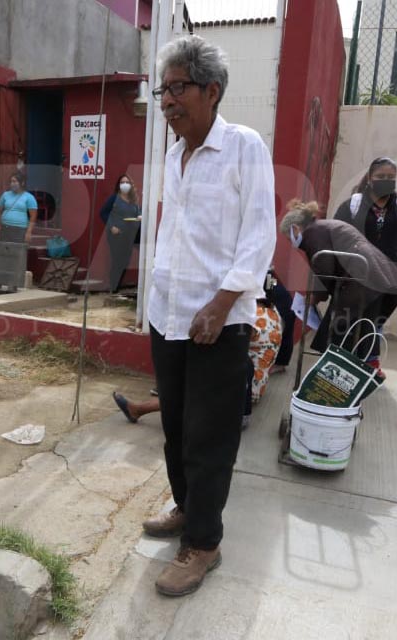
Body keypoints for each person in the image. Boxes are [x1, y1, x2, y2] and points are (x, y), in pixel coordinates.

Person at [142, 34, 276, 597]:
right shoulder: (174, 154)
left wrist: (222, 303)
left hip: (218, 321)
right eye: (163, 89)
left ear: (211, 90)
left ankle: (204, 543)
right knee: (174, 427)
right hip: (167, 314)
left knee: (210, 435)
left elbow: (259, 234)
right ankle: (186, 508)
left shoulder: (244, 147)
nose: (167, 100)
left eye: (177, 88)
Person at [113, 290, 284, 428]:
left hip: (244, 389)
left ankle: (138, 409)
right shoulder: (273, 313)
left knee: (190, 392)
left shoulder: (254, 319)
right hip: (253, 383)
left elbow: (230, 340)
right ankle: (143, 407)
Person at [279, 200, 397, 373]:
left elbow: (325, 269)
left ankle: (338, 372)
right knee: (363, 327)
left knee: (338, 329)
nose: (291, 242)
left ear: (295, 228)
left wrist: (313, 298)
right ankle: (366, 367)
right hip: (371, 279)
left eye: (289, 238)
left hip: (362, 281)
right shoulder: (321, 228)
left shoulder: (314, 233)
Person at [332, 156, 397, 269]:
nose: (385, 180)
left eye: (390, 177)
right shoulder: (353, 204)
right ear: (370, 179)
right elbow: (336, 235)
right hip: (355, 276)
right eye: (380, 176)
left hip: (388, 278)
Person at [99, 174, 141, 292]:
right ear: (118, 185)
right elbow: (103, 213)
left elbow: (137, 212)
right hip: (116, 234)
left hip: (129, 235)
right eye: (122, 182)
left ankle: (117, 286)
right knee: (118, 260)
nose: (125, 185)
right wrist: (112, 226)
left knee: (125, 261)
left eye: (127, 182)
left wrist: (139, 216)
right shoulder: (114, 198)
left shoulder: (133, 200)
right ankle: (113, 287)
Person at [0, 172, 37, 244]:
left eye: (14, 181)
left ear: (22, 183)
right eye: (11, 181)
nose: (12, 184)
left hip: (20, 229)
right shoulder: (5, 194)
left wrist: (29, 232)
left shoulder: (29, 197)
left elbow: (33, 216)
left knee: (17, 251)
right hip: (5, 228)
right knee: (4, 251)